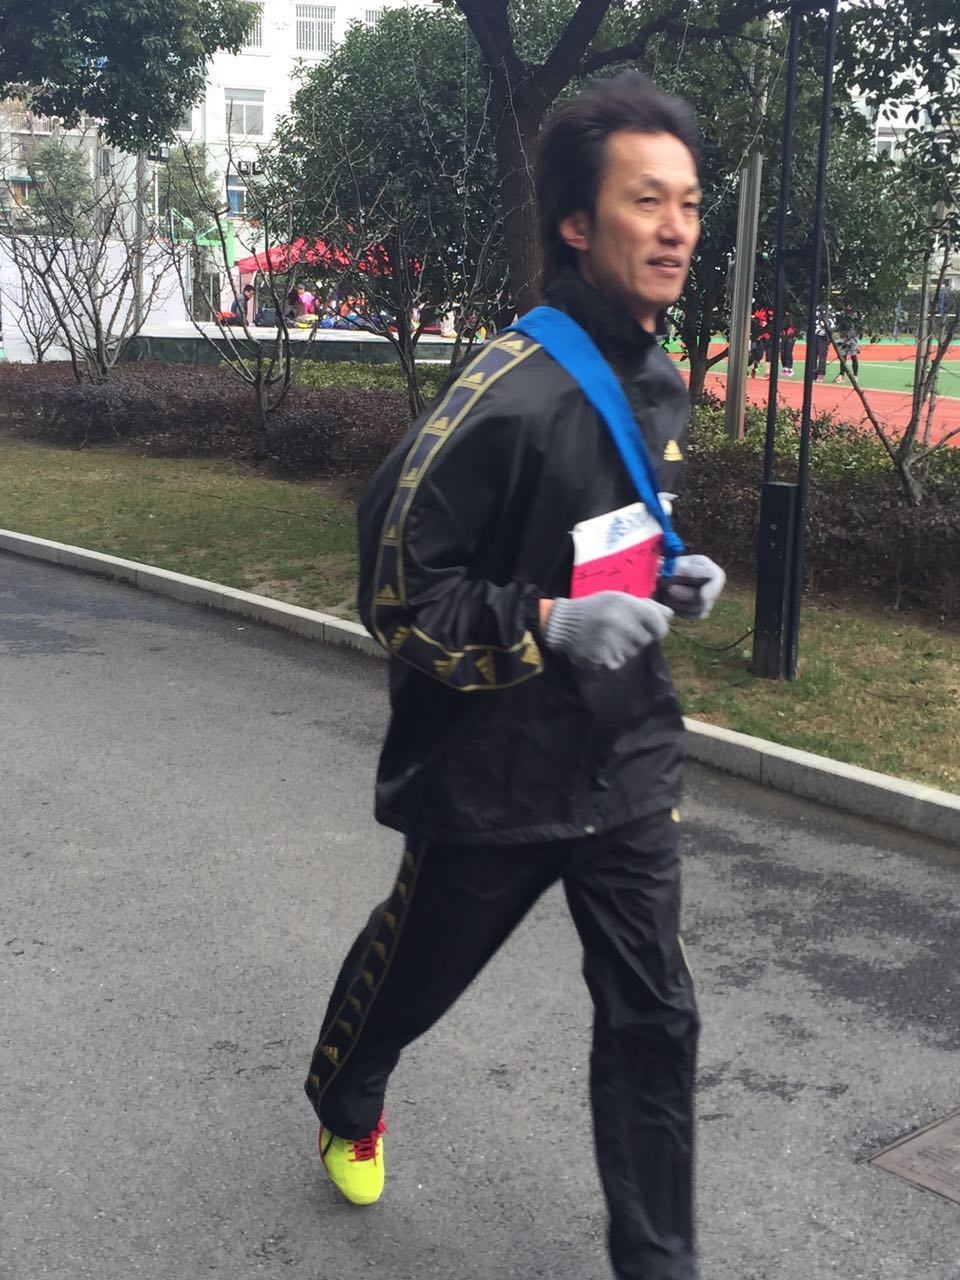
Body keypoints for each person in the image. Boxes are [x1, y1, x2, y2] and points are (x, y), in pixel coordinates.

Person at [304, 70, 725, 1280]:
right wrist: (550, 620)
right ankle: (348, 1091)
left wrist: (667, 572)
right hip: (494, 773)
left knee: (655, 1017)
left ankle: (659, 1261)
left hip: (625, 759)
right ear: (576, 224)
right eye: (646, 201)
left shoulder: (657, 378)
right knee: (414, 980)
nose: (676, 228)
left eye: (689, 202)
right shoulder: (503, 392)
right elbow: (401, 590)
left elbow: (594, 532)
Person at [833, 307, 861, 382]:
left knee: (853, 356)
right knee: (843, 357)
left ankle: (855, 375)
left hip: (853, 337)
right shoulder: (841, 313)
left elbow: (858, 323)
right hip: (843, 337)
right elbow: (838, 324)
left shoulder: (856, 313)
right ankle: (841, 375)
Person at [749, 303, 772, 377]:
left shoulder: (770, 313)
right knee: (758, 355)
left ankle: (768, 372)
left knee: (769, 355)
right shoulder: (757, 312)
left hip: (769, 337)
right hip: (759, 337)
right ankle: (754, 368)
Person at [780, 309, 797, 376]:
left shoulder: (792, 316)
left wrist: (792, 331)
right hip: (783, 336)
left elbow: (795, 326)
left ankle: (789, 368)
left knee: (788, 351)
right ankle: (785, 367)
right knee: (782, 351)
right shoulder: (782, 316)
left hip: (790, 336)